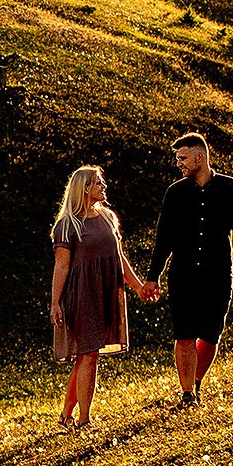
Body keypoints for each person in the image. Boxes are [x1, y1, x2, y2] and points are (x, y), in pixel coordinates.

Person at [147, 133, 233, 408]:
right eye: (177, 159)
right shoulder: (175, 193)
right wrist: (153, 275)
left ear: (200, 157)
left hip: (218, 273)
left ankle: (195, 383)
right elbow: (164, 238)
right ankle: (187, 395)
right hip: (183, 274)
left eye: (183, 158)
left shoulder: (230, 188)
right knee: (184, 333)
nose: (179, 163)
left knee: (210, 335)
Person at [50, 165, 157, 430]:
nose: (103, 187)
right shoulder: (67, 225)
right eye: (98, 183)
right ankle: (84, 420)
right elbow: (61, 266)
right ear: (84, 188)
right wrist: (55, 303)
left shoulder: (108, 218)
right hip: (81, 293)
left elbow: (119, 258)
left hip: (106, 292)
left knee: (88, 355)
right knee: (88, 355)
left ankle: (66, 415)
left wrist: (138, 286)